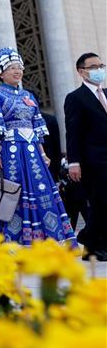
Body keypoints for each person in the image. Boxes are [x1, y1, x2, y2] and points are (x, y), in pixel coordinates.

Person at [0, 47, 76, 246]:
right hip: (10, 151)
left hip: (33, 152)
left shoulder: (29, 96)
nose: (18, 71)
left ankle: (47, 237)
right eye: (12, 68)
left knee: (42, 189)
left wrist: (43, 153)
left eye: (20, 68)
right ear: (0, 74)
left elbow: (37, 127)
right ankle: (13, 240)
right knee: (13, 191)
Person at [64, 52, 107, 260]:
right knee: (100, 202)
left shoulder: (105, 93)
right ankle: (96, 245)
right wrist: (74, 162)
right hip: (93, 160)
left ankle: (89, 242)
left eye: (101, 66)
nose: (99, 70)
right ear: (82, 72)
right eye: (93, 67)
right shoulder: (76, 98)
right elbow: (73, 132)